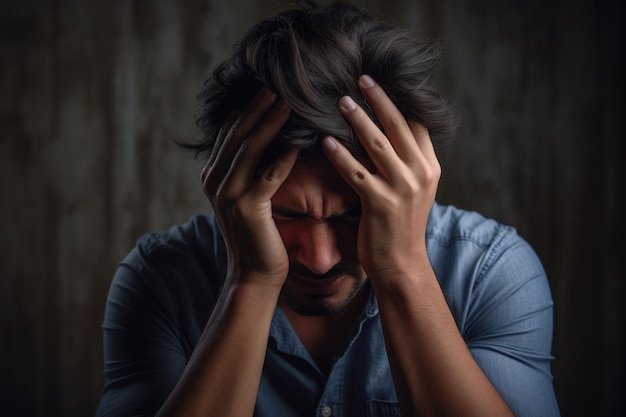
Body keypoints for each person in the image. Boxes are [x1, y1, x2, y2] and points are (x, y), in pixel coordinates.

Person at [95, 1, 560, 416]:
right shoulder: (159, 278)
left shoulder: (490, 272)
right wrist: (251, 281)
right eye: (288, 215)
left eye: (353, 215)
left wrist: (400, 268)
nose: (320, 259)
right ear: (227, 188)